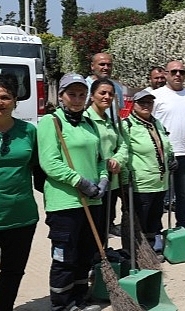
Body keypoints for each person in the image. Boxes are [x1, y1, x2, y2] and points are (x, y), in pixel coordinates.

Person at [38, 73, 108, 311]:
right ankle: (62, 304)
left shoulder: (89, 123)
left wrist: (103, 179)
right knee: (64, 258)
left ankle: (79, 299)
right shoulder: (52, 122)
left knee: (85, 255)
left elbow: (99, 158)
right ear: (61, 96)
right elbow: (50, 162)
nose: (77, 99)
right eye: (71, 94)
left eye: (81, 94)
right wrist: (80, 181)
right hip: (65, 203)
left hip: (92, 201)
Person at [152, 61, 185, 239]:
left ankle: (182, 230)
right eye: (173, 71)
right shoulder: (156, 96)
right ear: (166, 74)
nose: (178, 75)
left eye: (181, 72)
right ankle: (157, 234)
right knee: (159, 196)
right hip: (162, 155)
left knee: (184, 195)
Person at [0, 74, 39, 311]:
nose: (0, 102)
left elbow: (41, 170)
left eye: (5, 97)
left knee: (13, 271)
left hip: (21, 216)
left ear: (15, 100)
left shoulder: (29, 132)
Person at [121, 90, 175, 254]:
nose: (146, 106)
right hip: (140, 183)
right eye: (142, 103)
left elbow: (166, 144)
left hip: (160, 182)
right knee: (140, 221)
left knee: (154, 219)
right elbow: (122, 152)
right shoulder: (127, 125)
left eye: (149, 103)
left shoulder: (157, 123)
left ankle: (150, 249)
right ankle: (137, 252)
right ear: (134, 105)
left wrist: (172, 158)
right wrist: (125, 178)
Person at [84, 78, 128, 239]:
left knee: (105, 223)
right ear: (92, 96)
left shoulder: (110, 122)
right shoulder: (84, 120)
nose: (107, 97)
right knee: (92, 226)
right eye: (102, 93)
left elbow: (123, 145)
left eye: (110, 94)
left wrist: (118, 160)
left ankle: (103, 256)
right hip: (93, 182)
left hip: (112, 180)